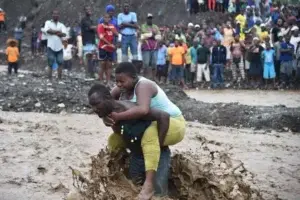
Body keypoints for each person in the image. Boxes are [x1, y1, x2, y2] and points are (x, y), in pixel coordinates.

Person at [102, 62, 186, 199]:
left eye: (122, 81)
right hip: (150, 123)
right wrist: (106, 118)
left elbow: (143, 109)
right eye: (116, 81)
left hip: (173, 123)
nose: (118, 85)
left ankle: (149, 186)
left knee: (149, 135)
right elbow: (104, 103)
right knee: (115, 139)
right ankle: (114, 172)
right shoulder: (121, 88)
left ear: (134, 78)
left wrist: (117, 116)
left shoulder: (143, 85)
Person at [44, 10, 67, 79]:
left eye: (57, 14)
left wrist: (53, 32)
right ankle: (49, 79)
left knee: (60, 62)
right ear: (52, 15)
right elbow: (47, 30)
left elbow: (64, 34)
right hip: (50, 46)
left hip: (59, 47)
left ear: (59, 16)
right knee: (50, 63)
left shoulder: (61, 25)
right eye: (54, 14)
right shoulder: (48, 22)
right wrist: (58, 32)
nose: (55, 15)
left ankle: (59, 78)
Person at [97, 13, 118, 86]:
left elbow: (116, 34)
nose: (106, 19)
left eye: (108, 17)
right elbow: (101, 37)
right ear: (103, 18)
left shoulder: (111, 26)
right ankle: (101, 81)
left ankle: (108, 81)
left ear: (110, 18)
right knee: (102, 64)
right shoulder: (100, 26)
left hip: (110, 48)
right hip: (103, 47)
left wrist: (113, 30)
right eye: (105, 17)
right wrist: (110, 44)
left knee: (109, 65)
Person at [141, 13, 161, 80]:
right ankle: (144, 78)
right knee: (146, 64)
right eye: (149, 18)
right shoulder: (143, 26)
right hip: (146, 47)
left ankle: (153, 78)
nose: (150, 19)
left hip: (155, 47)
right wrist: (152, 35)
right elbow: (143, 34)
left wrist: (149, 35)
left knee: (154, 64)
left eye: (151, 18)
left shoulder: (155, 26)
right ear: (146, 19)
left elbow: (159, 36)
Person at [81, 6, 97, 78]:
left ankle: (91, 73)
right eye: (87, 9)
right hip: (87, 40)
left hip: (92, 40)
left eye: (89, 9)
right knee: (88, 57)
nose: (89, 11)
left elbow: (94, 29)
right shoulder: (84, 20)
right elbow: (91, 27)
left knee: (92, 57)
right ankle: (88, 74)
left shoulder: (91, 20)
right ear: (85, 11)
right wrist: (99, 26)